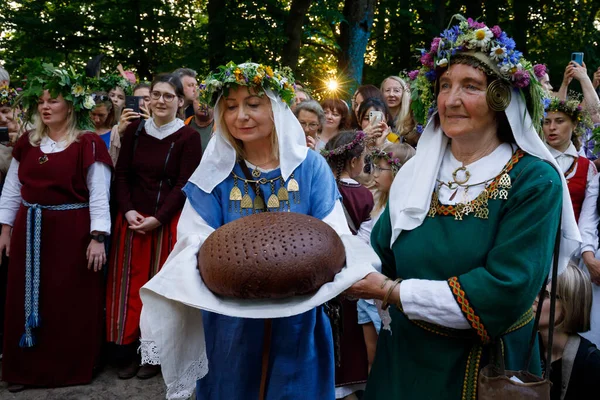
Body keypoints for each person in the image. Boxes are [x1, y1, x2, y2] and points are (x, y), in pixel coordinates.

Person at [346, 17, 580, 399]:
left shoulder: (532, 180)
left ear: (501, 96)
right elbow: (380, 252)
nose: (451, 100)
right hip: (404, 360)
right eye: (444, 86)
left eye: (470, 86)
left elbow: (504, 291)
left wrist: (393, 293)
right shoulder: (418, 172)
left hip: (483, 370)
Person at [138, 62, 378, 400]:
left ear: (276, 108)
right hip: (230, 320)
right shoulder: (215, 173)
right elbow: (194, 238)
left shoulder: (310, 167)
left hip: (299, 314)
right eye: (231, 106)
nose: (241, 116)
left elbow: (334, 234)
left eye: (253, 103)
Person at [0, 64, 112, 392]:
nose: (46, 107)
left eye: (55, 101)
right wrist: (5, 229)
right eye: (42, 102)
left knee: (68, 301)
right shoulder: (28, 143)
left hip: (72, 234)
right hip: (29, 231)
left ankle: (69, 369)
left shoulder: (88, 143)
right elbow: (11, 189)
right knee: (25, 297)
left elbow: (99, 194)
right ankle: (24, 371)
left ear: (71, 106)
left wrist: (97, 238)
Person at [105, 73, 202, 380]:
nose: (160, 101)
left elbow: (186, 183)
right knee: (129, 287)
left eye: (168, 96)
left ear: (180, 102)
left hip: (167, 221)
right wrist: (129, 210)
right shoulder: (134, 130)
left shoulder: (188, 137)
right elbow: (121, 176)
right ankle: (127, 350)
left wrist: (159, 217)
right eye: (155, 95)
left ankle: (155, 354)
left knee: (160, 288)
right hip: (132, 220)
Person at [322, 130, 372, 398]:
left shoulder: (320, 190)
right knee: (351, 337)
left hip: (323, 274)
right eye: (364, 158)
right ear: (354, 161)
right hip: (351, 276)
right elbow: (364, 241)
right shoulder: (364, 196)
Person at [534, 262, 600, 400]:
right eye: (535, 291)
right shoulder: (529, 347)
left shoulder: (591, 363)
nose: (534, 299)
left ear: (569, 305)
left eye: (544, 294)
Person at [543, 97, 596, 223]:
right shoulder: (533, 161)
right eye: (546, 122)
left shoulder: (586, 167)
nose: (552, 127)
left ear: (574, 125)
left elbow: (590, 217)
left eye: (559, 121)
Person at [380, 76, 418, 145]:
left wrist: (388, 134)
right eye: (387, 90)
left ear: (403, 93)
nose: (391, 94)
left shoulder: (412, 118)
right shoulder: (378, 117)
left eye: (396, 91)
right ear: (381, 93)